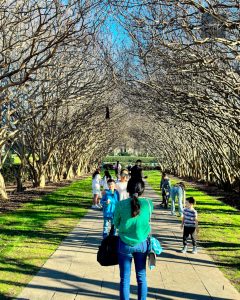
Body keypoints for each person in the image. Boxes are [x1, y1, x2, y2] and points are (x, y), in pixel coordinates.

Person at [114, 181, 153, 300]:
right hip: (142, 244)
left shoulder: (120, 205)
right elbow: (148, 219)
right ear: (142, 190)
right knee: (141, 277)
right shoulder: (148, 203)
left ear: (128, 190)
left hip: (124, 244)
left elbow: (116, 223)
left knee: (124, 279)